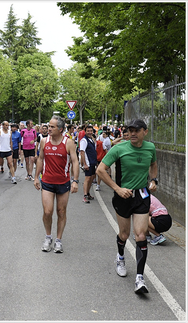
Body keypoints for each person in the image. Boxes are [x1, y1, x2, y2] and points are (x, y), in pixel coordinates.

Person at [97, 119, 158, 294]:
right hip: (123, 196)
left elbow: (153, 164)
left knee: (140, 235)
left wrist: (153, 180)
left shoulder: (150, 148)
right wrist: (117, 188)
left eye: (136, 130)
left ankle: (140, 278)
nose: (132, 133)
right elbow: (100, 170)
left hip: (141, 196)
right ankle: (121, 257)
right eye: (129, 130)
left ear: (145, 132)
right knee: (124, 234)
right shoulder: (119, 149)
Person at [34, 116, 79, 253]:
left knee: (61, 211)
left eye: (52, 127)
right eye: (48, 126)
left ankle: (58, 240)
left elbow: (75, 162)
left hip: (63, 182)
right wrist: (36, 177)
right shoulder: (43, 141)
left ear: (61, 129)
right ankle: (48, 237)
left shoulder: (69, 142)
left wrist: (75, 180)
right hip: (47, 181)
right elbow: (41, 159)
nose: (49, 129)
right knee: (47, 212)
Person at [79, 125, 97, 203]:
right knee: (87, 178)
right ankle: (85, 196)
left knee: (92, 178)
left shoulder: (91, 140)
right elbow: (82, 152)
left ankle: (88, 193)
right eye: (88, 131)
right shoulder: (84, 140)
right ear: (85, 131)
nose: (90, 132)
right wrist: (84, 164)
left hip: (93, 162)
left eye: (91, 131)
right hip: (88, 163)